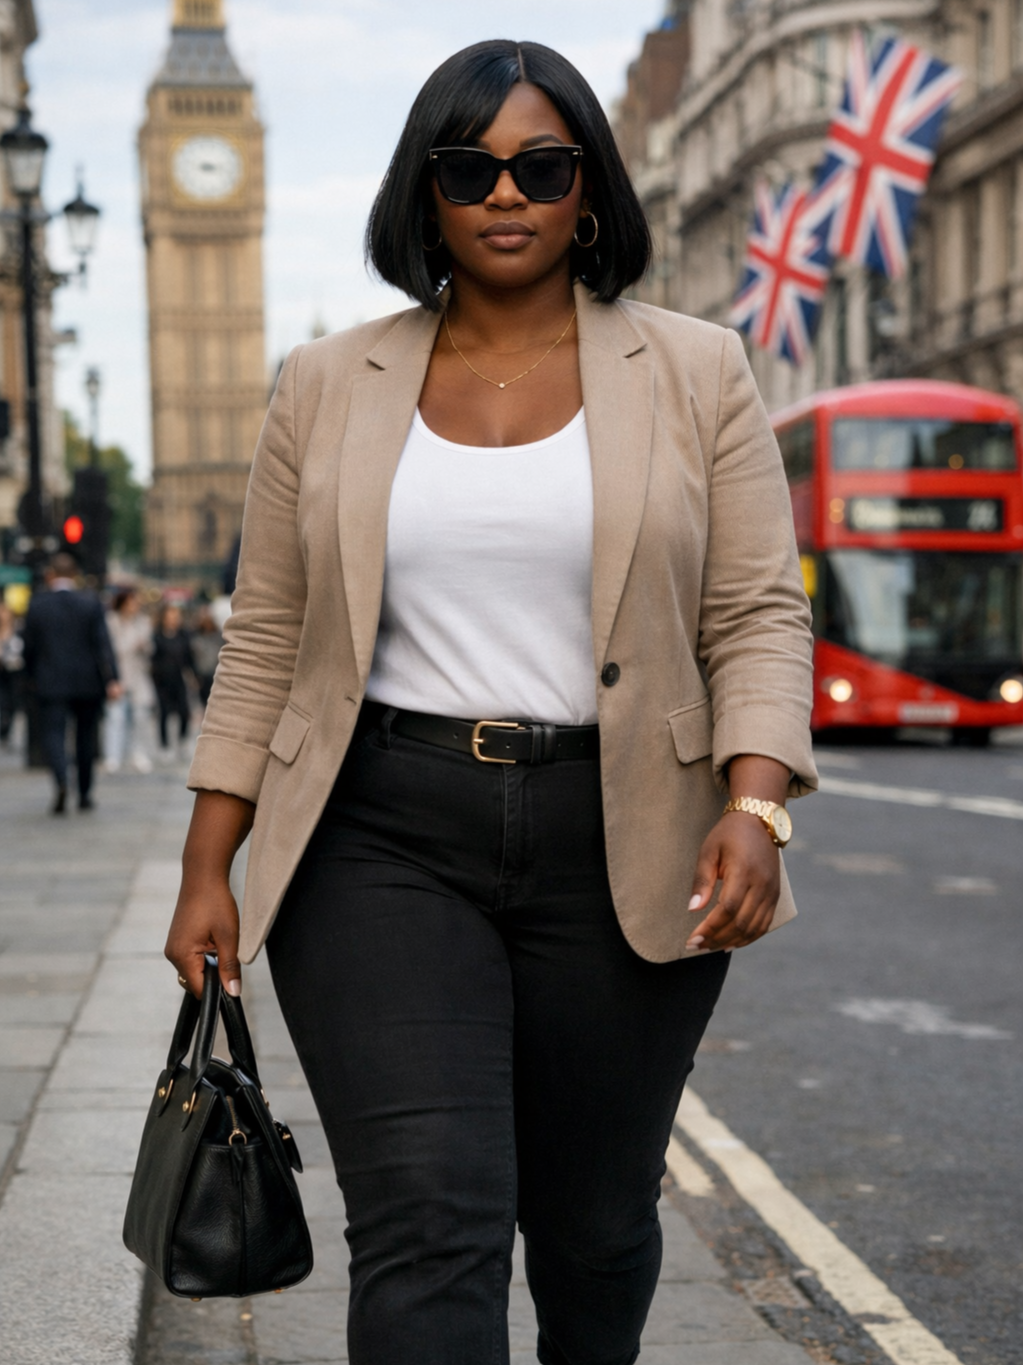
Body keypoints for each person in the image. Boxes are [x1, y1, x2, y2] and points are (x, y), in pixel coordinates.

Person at [166, 40, 817, 1365]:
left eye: (541, 165)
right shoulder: (322, 383)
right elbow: (272, 633)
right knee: (426, 1219)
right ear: (426, 191)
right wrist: (207, 863)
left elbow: (754, 608)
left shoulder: (696, 371)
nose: (505, 193)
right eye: (470, 167)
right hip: (379, 835)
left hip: (621, 834)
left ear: (588, 190)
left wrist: (756, 803)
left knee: (589, 1227)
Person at [23, 552, 119, 813]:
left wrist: (30, 676)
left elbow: (28, 647)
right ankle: (85, 793)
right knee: (86, 737)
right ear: (75, 575)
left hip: (50, 680)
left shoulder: (37, 604)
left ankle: (62, 779)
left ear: (50, 575)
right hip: (87, 681)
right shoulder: (90, 602)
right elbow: (103, 644)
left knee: (53, 733)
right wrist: (112, 678)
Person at [103, 588, 155, 774]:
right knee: (115, 718)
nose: (136, 606)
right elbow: (112, 649)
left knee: (140, 718)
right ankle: (112, 757)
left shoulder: (143, 622)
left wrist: (143, 646)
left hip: (138, 677)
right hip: (118, 676)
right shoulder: (111, 622)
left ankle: (138, 754)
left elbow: (150, 649)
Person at [151, 603, 195, 759]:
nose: (173, 620)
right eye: (170, 617)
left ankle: (182, 741)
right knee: (163, 713)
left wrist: (193, 676)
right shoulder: (157, 635)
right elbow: (153, 658)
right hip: (161, 680)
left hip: (179, 677)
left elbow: (189, 658)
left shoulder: (184, 636)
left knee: (184, 711)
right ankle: (164, 746)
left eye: (176, 617)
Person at [0, 601, 26, 747]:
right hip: (2, 672)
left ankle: (5, 729)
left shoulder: (18, 630)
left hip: (14, 672)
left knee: (12, 703)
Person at [189, 605, 223, 710]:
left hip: (216, 674)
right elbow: (192, 657)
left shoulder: (218, 636)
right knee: (204, 704)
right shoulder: (194, 636)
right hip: (201, 674)